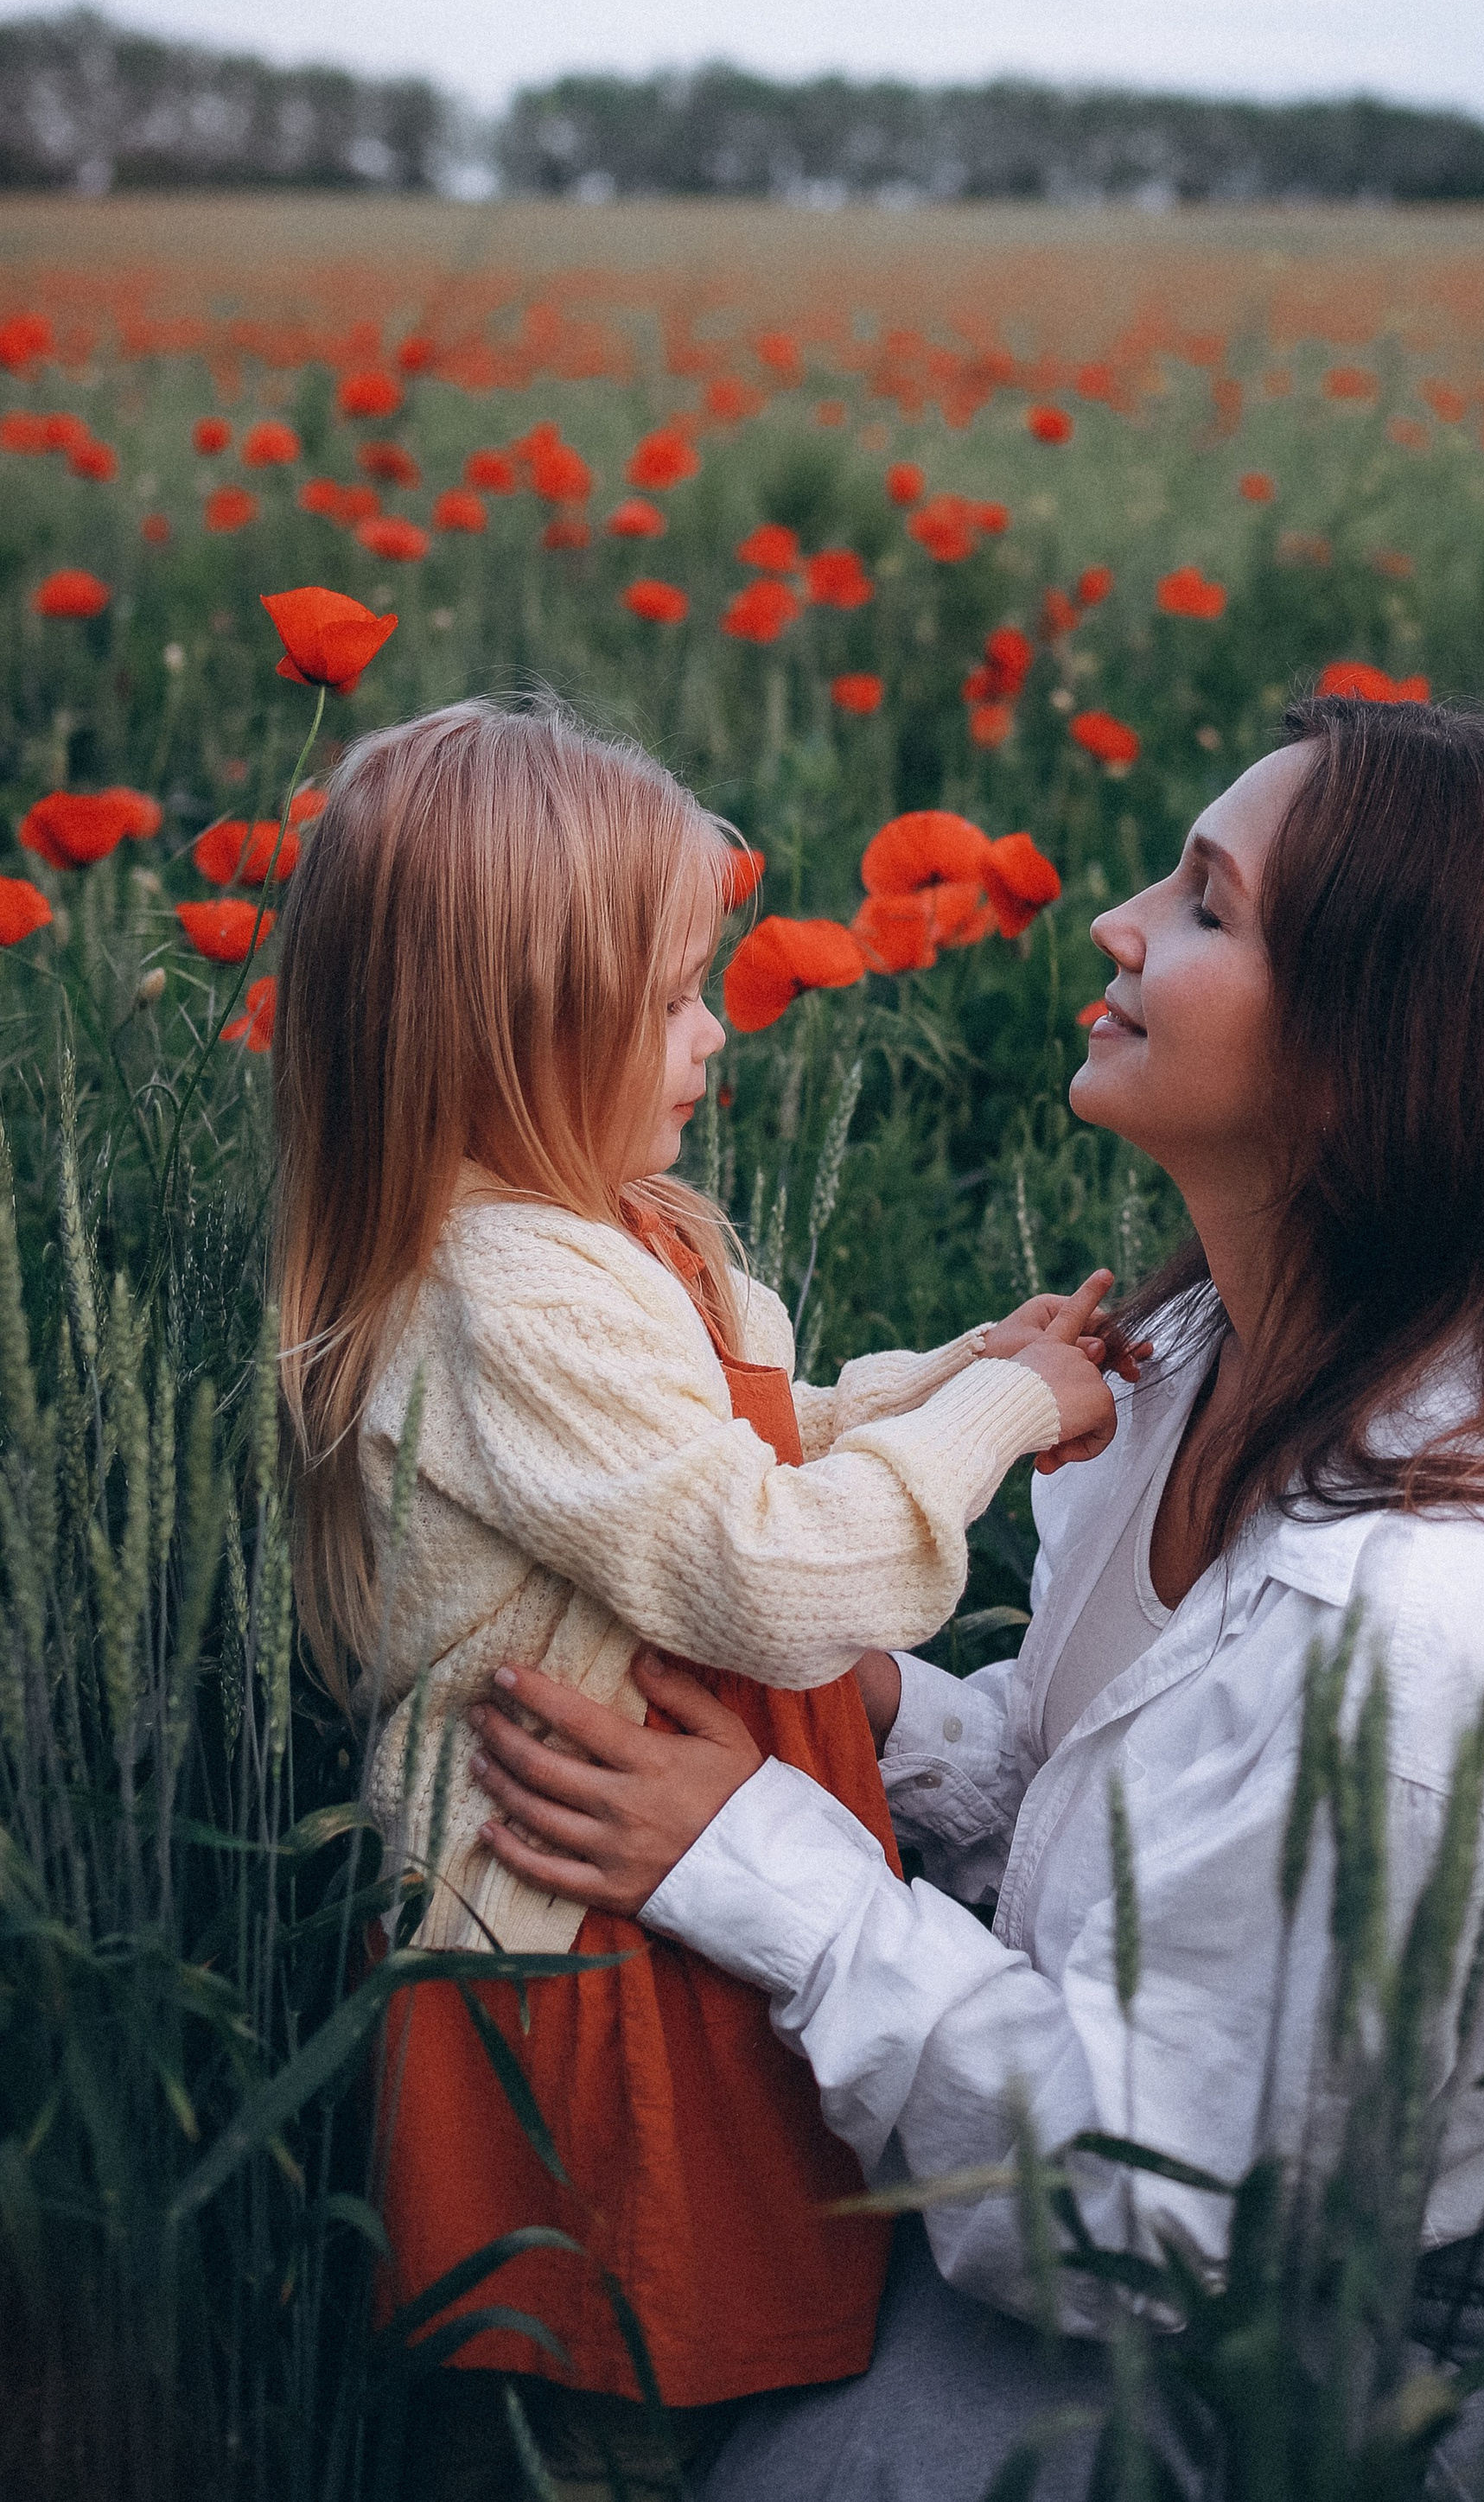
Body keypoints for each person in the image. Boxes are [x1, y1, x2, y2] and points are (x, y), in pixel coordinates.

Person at [474, 697, 1484, 2499]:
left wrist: (763, 1863)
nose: (1112, 921)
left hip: (1428, 2353)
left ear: (1374, 1060)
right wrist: (894, 1719)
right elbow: (1125, 1802)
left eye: (1205, 905)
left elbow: (1154, 2217)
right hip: (1197, 2183)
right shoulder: (1206, 1356)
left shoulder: (1429, 1631)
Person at [271, 699, 1119, 2461]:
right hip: (592, 1959)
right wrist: (994, 1415)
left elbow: (758, 1436)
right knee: (631, 2395)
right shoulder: (508, 1291)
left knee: (732, 2377)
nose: (714, 1029)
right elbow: (765, 1571)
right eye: (667, 996)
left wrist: (961, 1369)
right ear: (508, 1029)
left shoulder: (602, 1234)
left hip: (682, 1888)